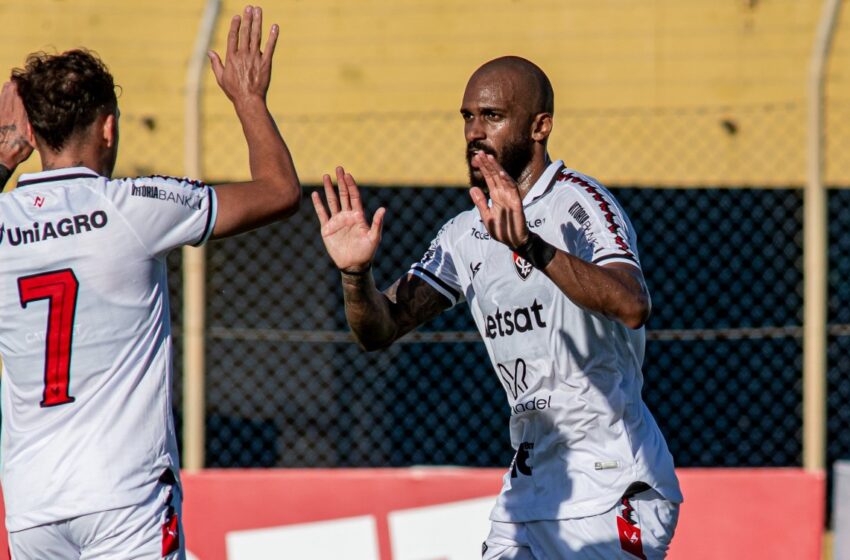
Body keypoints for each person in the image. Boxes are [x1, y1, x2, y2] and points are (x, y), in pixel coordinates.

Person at [312, 56, 683, 559]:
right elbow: (379, 329)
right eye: (467, 117)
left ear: (539, 126)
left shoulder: (579, 204)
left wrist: (533, 246)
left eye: (491, 116)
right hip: (529, 493)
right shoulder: (465, 233)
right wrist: (356, 275)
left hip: (611, 485)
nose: (474, 131)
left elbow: (632, 303)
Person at [0, 5, 299, 558]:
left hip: (31, 505)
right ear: (109, 128)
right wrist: (249, 100)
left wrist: (1, 157)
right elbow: (279, 191)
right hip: (124, 496)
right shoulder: (132, 207)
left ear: (34, 135)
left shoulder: (5, 222)